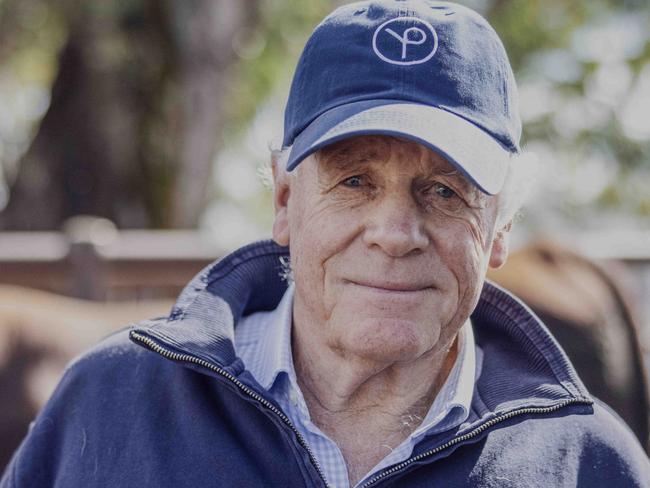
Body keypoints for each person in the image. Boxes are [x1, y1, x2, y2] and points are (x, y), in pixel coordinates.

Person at [2, 1, 649, 487]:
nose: (395, 234)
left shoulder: (588, 462)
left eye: (445, 192)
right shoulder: (113, 403)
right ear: (284, 202)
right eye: (355, 181)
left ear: (500, 228)